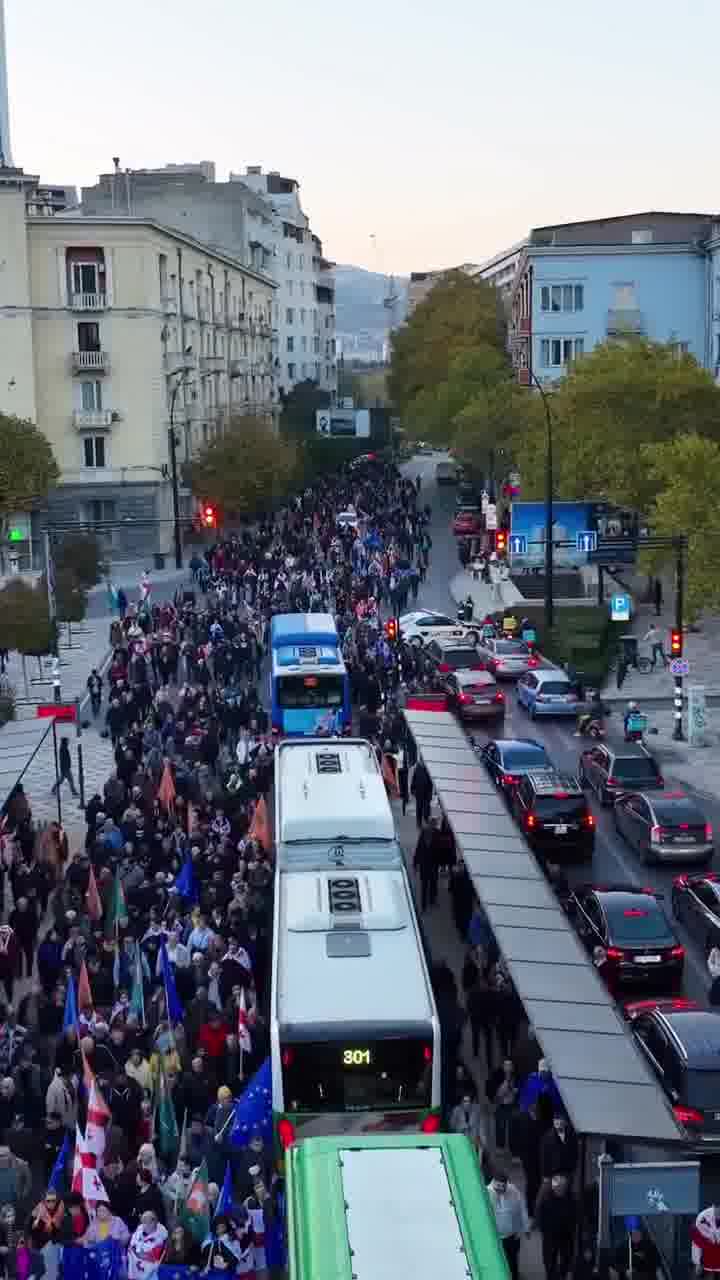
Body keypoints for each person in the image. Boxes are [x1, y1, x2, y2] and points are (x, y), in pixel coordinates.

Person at [486, 1174, 530, 1280]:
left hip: (512, 1236)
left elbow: (522, 1208)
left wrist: (526, 1227)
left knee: (513, 1261)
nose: (501, 1190)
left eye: (503, 1187)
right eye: (498, 1187)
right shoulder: (485, 1193)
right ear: (493, 1183)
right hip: (496, 1238)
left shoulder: (513, 1190)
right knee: (498, 1263)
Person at [535, 1174, 577, 1280]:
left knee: (567, 1256)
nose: (561, 1191)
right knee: (550, 1258)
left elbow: (576, 1212)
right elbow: (539, 1214)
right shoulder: (544, 1196)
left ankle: (562, 1274)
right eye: (559, 1189)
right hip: (550, 1232)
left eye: (563, 1189)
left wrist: (572, 1228)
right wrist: (544, 1231)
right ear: (553, 1188)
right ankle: (551, 1276)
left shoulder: (570, 1195)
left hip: (566, 1231)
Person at [540, 1113, 579, 1181]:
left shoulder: (572, 1135)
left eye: (560, 1119)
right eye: (555, 1119)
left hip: (566, 1173)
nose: (557, 1122)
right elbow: (544, 1157)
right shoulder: (547, 1137)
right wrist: (545, 1175)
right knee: (544, 1191)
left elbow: (575, 1154)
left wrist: (571, 1171)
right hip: (551, 1173)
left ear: (565, 1122)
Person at [692, 1202, 720, 1275]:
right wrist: (697, 1263)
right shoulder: (702, 1218)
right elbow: (697, 1243)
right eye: (718, 1211)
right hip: (707, 1262)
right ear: (714, 1207)